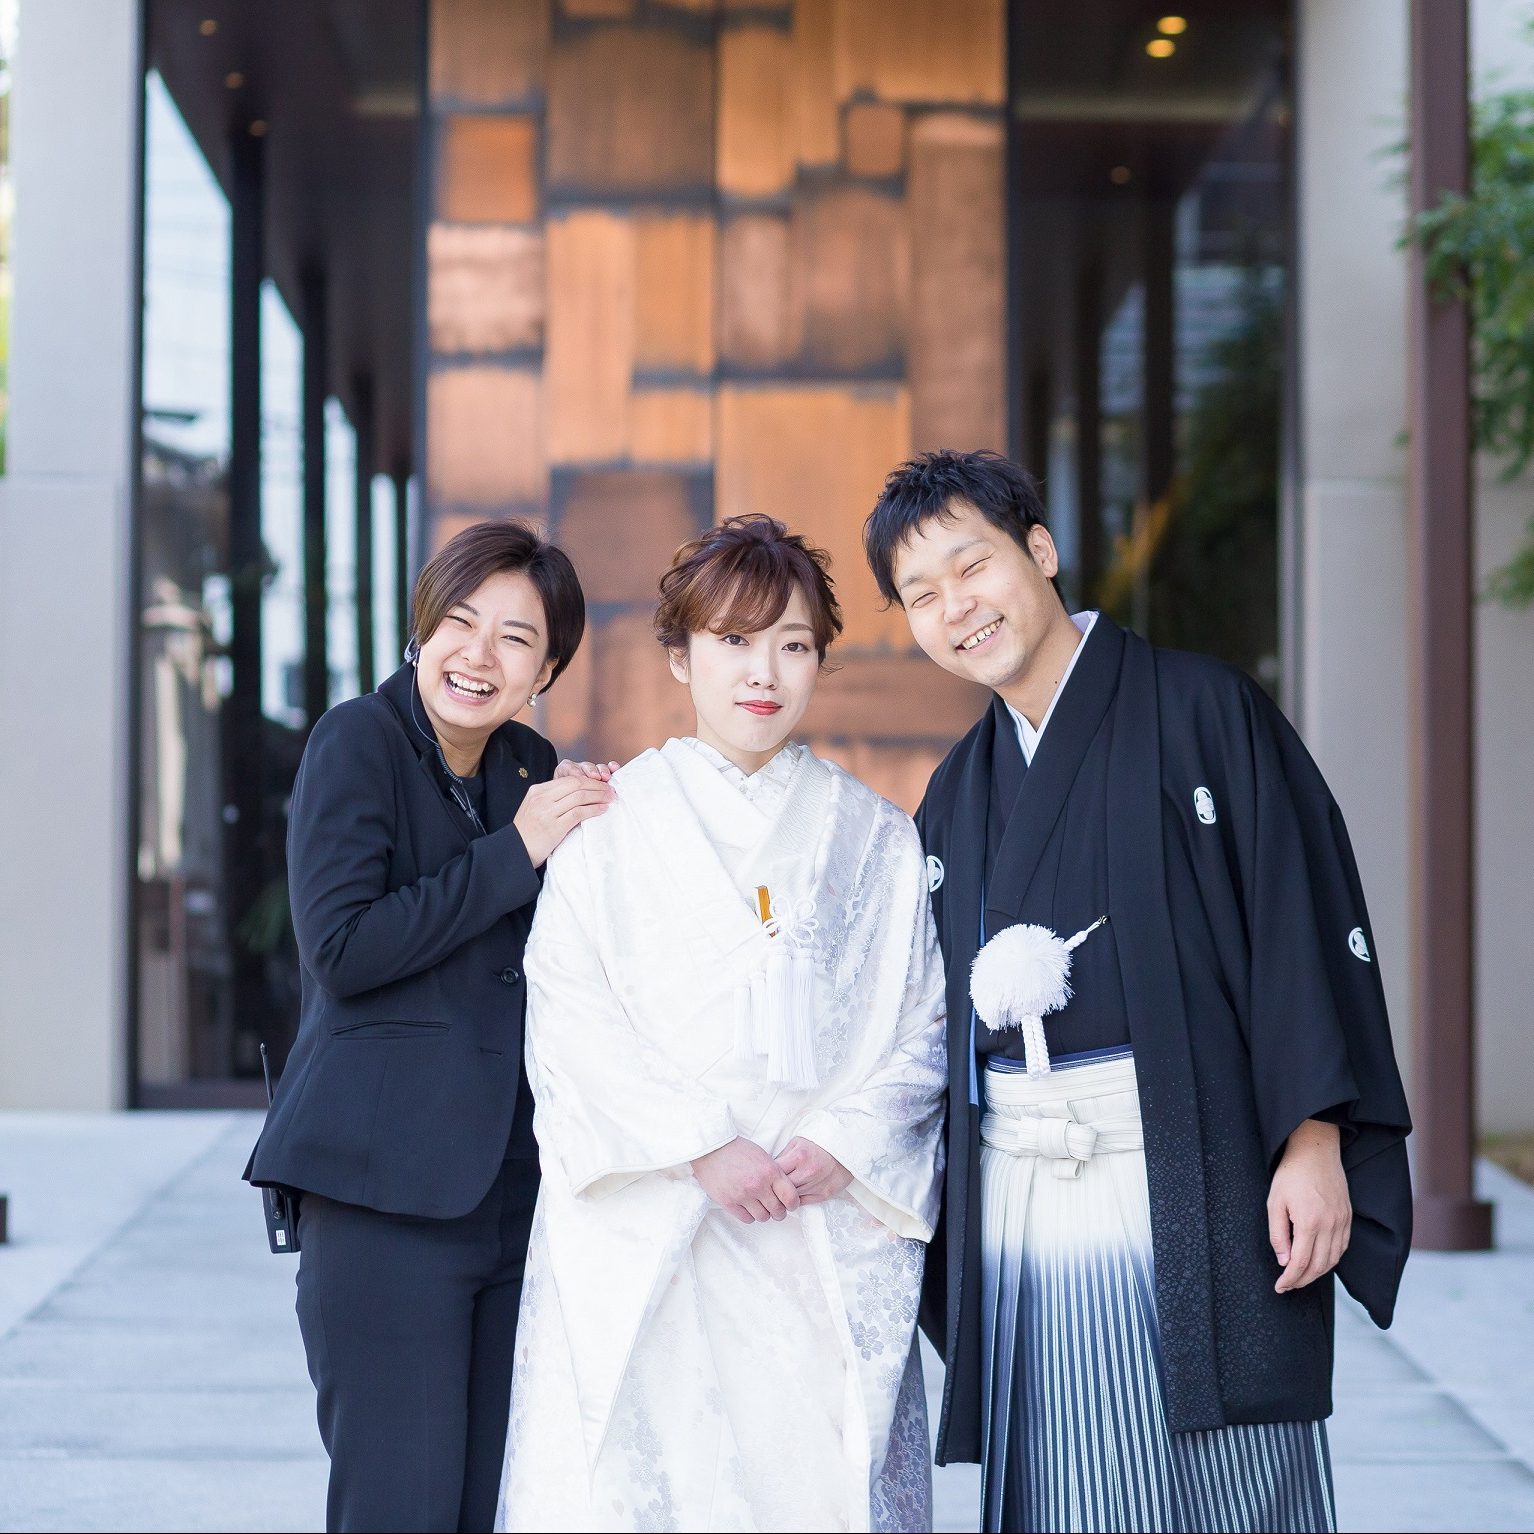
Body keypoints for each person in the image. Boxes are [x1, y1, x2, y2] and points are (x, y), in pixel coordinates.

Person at [862, 450, 1413, 1534]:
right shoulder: (956, 794)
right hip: (1026, 1202)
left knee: (1230, 1482)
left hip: (1202, 1173)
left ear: (1039, 549)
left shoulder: (1204, 710)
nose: (955, 607)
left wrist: (1313, 1138)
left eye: (972, 567)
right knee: (1066, 1480)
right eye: (920, 595)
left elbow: (1297, 920)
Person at [497, 515, 948, 1533]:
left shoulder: (874, 835)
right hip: (661, 1216)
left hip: (812, 1219)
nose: (764, 673)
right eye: (734, 641)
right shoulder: (609, 824)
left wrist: (843, 1144)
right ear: (679, 656)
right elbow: (568, 1016)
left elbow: (921, 1024)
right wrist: (700, 1145)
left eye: (793, 645)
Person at [245, 520, 614, 1533]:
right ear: (422, 629)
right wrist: (516, 851)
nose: (478, 654)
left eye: (514, 637)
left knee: (490, 1505)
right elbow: (343, 947)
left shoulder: (527, 764)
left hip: (513, 1196)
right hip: (381, 1198)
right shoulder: (355, 742)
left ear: (547, 670)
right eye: (460, 622)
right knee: (398, 1506)